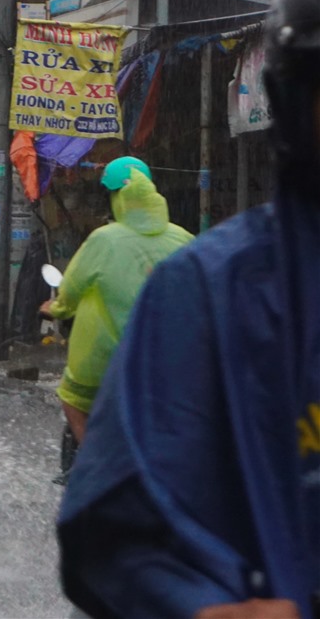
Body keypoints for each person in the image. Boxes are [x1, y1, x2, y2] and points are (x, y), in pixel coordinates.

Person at [57, 0, 320, 617]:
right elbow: (125, 519)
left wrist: (55, 305)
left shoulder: (126, 246)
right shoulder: (207, 285)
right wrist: (206, 604)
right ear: (295, 104)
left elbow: (67, 293)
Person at [39, 157, 193, 446]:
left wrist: (56, 308)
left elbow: (70, 289)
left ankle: (90, 463)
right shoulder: (183, 238)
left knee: (71, 399)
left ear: (116, 199)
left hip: (108, 363)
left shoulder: (105, 239)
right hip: (166, 361)